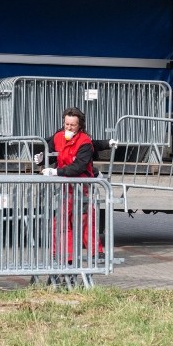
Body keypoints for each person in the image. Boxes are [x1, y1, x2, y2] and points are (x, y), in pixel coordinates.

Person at [35, 107, 114, 263]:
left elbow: (79, 166)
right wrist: (41, 159)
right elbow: (48, 152)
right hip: (65, 186)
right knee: (62, 220)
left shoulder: (84, 142)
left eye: (72, 125)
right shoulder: (58, 137)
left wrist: (55, 172)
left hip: (81, 185)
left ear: (80, 126)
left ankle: (95, 253)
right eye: (66, 124)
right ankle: (66, 255)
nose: (69, 128)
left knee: (85, 220)